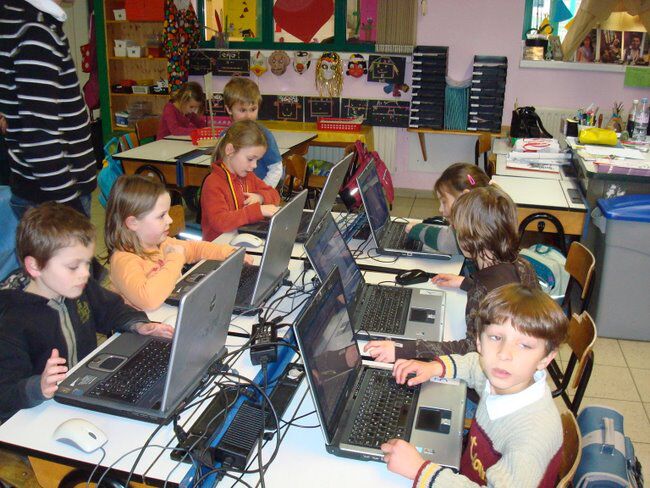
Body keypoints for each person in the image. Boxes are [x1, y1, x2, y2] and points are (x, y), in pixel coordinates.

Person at [0, 203, 173, 420]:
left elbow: (110, 309)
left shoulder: (75, 286)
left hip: (83, 391)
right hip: (39, 414)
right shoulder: (11, 320)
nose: (84, 274)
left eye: (87, 264)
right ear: (35, 266)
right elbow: (5, 392)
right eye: (73, 267)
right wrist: (37, 387)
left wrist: (138, 324)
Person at [383, 284, 567, 487]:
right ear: (479, 341)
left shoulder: (531, 439)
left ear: (546, 358)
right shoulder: (504, 377)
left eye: (524, 345)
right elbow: (474, 364)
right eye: (496, 338)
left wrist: (421, 471)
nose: (504, 354)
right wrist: (436, 367)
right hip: (468, 472)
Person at [365, 186, 539, 363]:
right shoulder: (522, 265)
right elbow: (505, 294)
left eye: (457, 230)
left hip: (501, 369)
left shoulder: (483, 294)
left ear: (468, 239)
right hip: (527, 357)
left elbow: (471, 349)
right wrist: (466, 283)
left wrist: (404, 349)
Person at [0, 0, 97, 218]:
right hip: (54, 198)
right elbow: (39, 136)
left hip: (41, 191)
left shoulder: (17, 16)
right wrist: (70, 208)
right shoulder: (35, 30)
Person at [105, 175, 252, 312]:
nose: (170, 220)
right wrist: (175, 259)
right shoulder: (123, 260)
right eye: (161, 216)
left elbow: (195, 248)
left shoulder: (160, 243)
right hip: (141, 326)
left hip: (166, 315)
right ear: (133, 223)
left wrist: (229, 253)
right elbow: (149, 300)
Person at [200, 120, 281, 241]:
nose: (254, 165)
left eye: (257, 160)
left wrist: (261, 197)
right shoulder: (213, 183)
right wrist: (256, 211)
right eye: (250, 159)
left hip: (242, 240)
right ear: (230, 150)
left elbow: (275, 195)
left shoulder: (249, 176)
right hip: (219, 246)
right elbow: (219, 221)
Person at [404, 163, 490, 254]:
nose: (440, 209)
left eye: (444, 202)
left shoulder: (474, 230)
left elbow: (446, 242)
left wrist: (416, 229)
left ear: (464, 198)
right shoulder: (485, 215)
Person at [223, 77, 283, 187]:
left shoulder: (263, 135)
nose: (248, 116)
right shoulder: (225, 136)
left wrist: (262, 192)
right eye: (242, 110)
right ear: (229, 109)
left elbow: (276, 169)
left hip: (258, 191)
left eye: (253, 109)